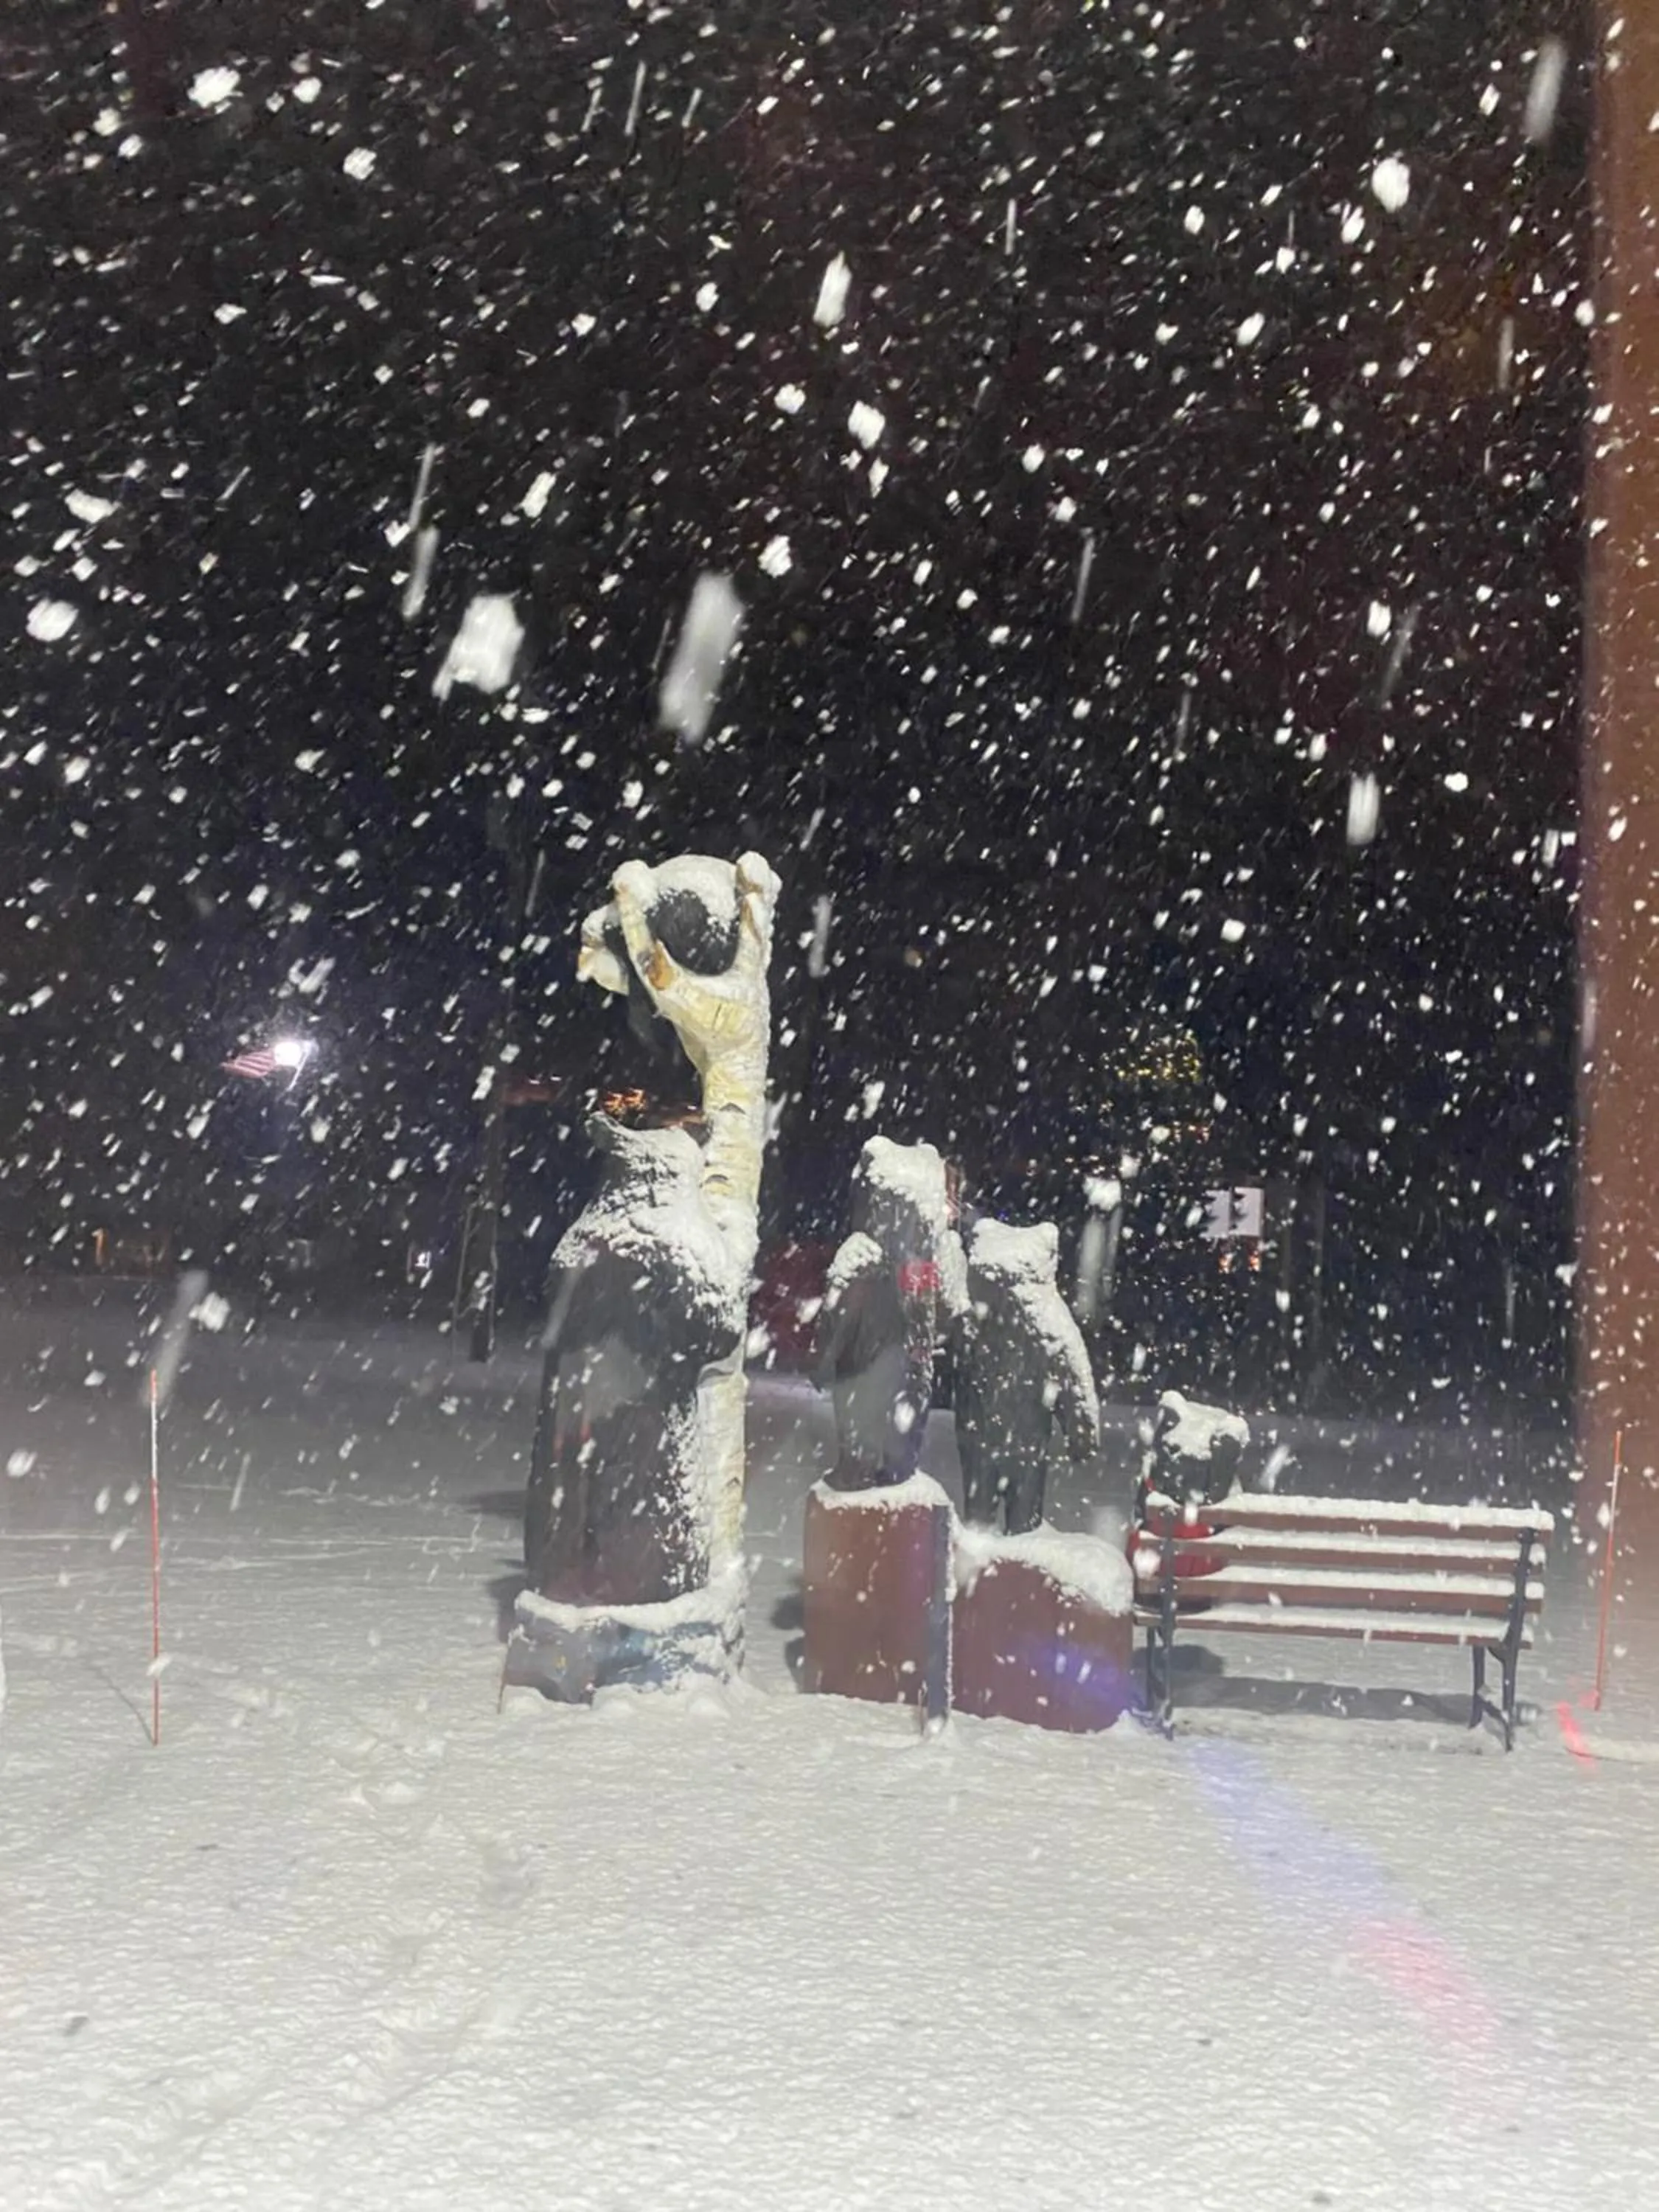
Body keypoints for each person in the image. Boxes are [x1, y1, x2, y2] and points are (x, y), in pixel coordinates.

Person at [814, 1137, 967, 1489]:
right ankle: (872, 1472)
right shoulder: (870, 1255)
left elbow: (948, 1317)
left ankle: (878, 1473)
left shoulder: (928, 1257)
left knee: (887, 1447)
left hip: (887, 1367)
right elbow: (840, 1312)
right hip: (873, 1365)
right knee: (873, 1445)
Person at [954, 1218, 1100, 1532]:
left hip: (978, 1432)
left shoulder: (973, 1307)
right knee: (1024, 1519)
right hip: (1028, 1436)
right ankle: (1016, 1565)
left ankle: (976, 1570)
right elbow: (1073, 1374)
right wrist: (1081, 1433)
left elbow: (948, 1350)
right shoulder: (1047, 1315)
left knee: (978, 1517)